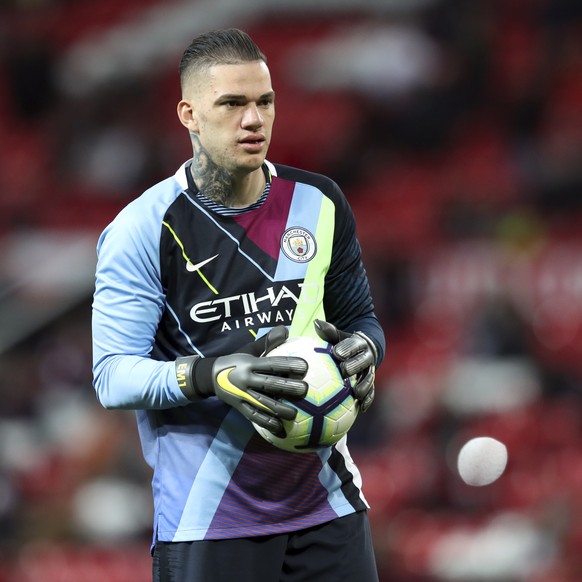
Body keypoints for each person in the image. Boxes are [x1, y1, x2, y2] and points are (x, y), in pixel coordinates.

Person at [92, 28, 385, 582]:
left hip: (330, 507)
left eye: (264, 102)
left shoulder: (318, 202)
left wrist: (366, 351)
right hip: (209, 522)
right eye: (232, 103)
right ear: (189, 114)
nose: (254, 120)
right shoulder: (141, 229)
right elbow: (112, 376)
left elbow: (362, 320)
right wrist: (211, 375)